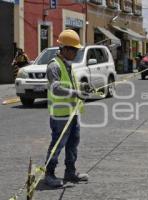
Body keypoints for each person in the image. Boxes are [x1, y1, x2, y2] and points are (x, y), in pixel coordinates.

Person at [45, 29, 90, 187]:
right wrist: (75, 92)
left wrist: (83, 87)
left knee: (73, 144)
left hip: (72, 113)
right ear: (65, 49)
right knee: (57, 145)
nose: (76, 53)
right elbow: (56, 88)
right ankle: (49, 174)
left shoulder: (68, 65)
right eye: (75, 50)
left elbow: (70, 85)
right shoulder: (54, 66)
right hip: (60, 115)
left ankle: (70, 172)